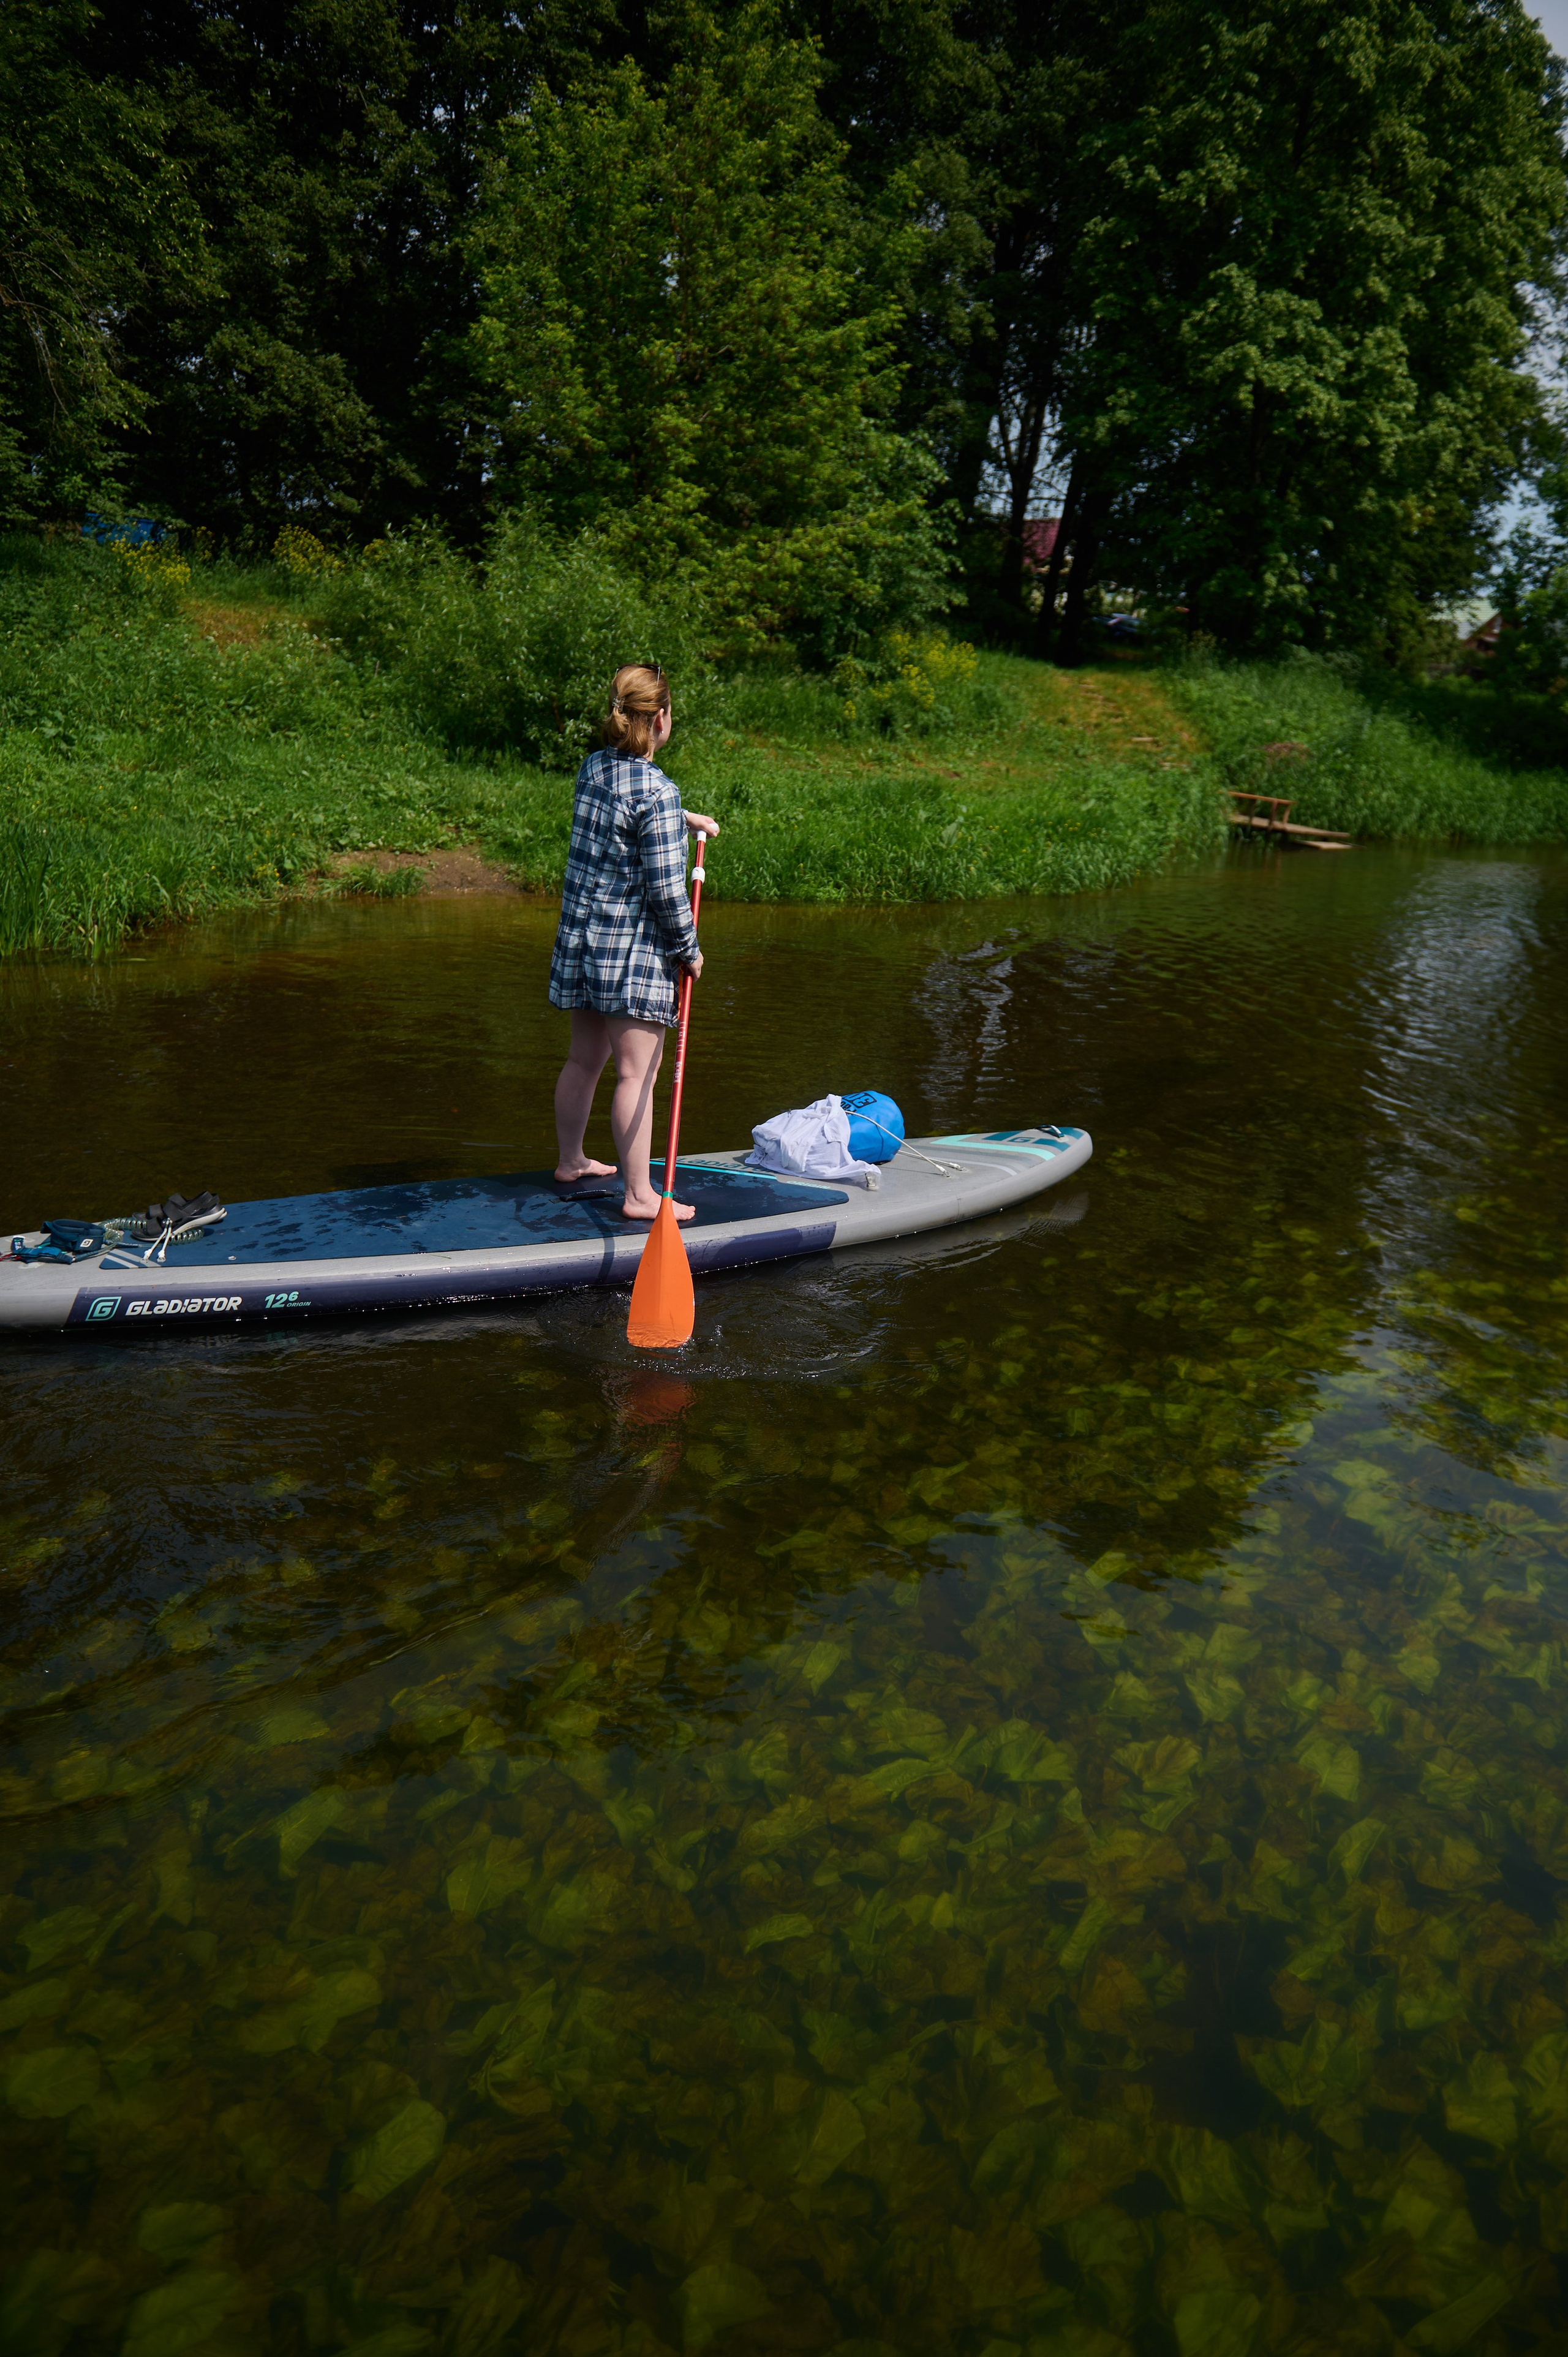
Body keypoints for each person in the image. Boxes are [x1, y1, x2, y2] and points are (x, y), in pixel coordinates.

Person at [549, 663, 719, 1221]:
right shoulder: (658, 791)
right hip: (630, 956)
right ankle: (640, 1196)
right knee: (637, 1072)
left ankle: (572, 1160)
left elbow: (623, 812)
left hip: (582, 943)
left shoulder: (594, 767)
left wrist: (681, 816)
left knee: (584, 1059)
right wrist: (689, 951)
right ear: (663, 719)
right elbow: (668, 894)